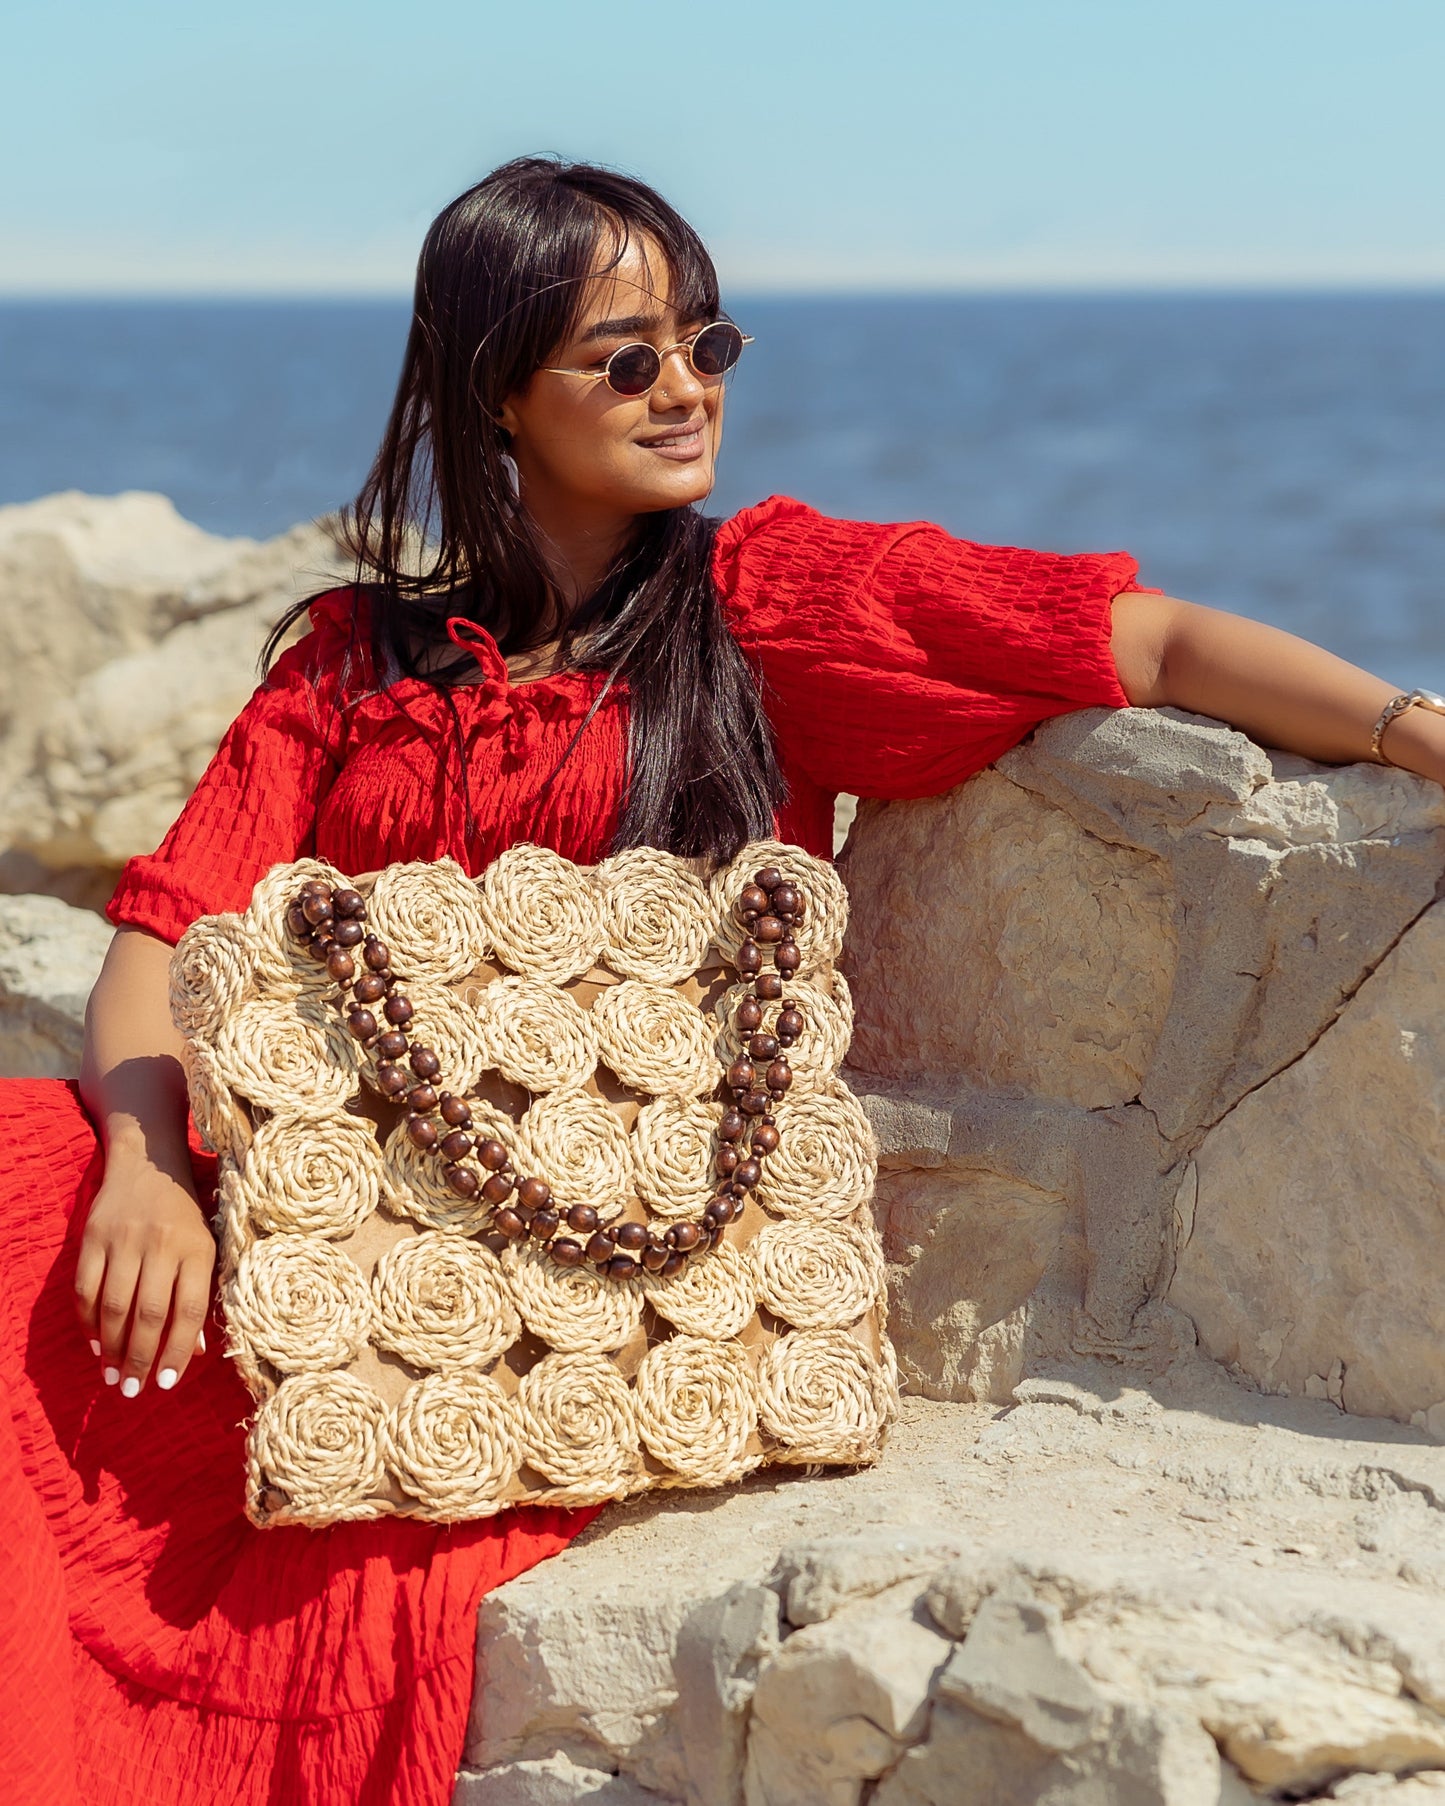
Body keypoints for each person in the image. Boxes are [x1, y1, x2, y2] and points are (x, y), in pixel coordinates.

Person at [4, 155, 1443, 1806]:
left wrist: (1415, 732)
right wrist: (140, 1165)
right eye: (625, 357)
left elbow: (1137, 643)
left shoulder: (761, 601)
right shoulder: (352, 657)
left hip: (607, 1266)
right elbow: (167, 932)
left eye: (706, 342)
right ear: (494, 393)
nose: (685, 387)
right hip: (330, 1234)